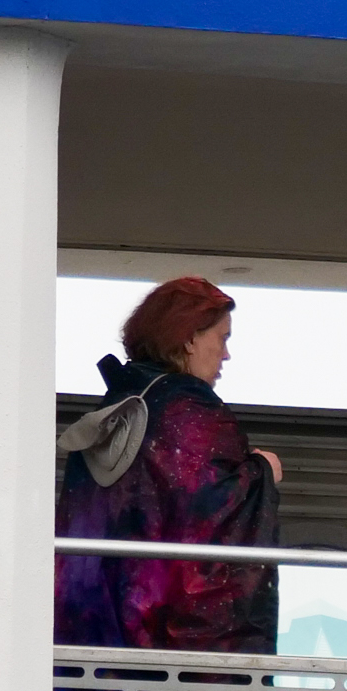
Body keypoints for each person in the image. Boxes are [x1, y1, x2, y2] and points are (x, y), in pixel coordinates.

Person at [52, 276, 287, 653]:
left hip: (93, 639)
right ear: (190, 337)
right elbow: (211, 516)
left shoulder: (118, 408)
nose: (226, 354)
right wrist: (262, 473)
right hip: (168, 655)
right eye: (222, 338)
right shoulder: (188, 409)